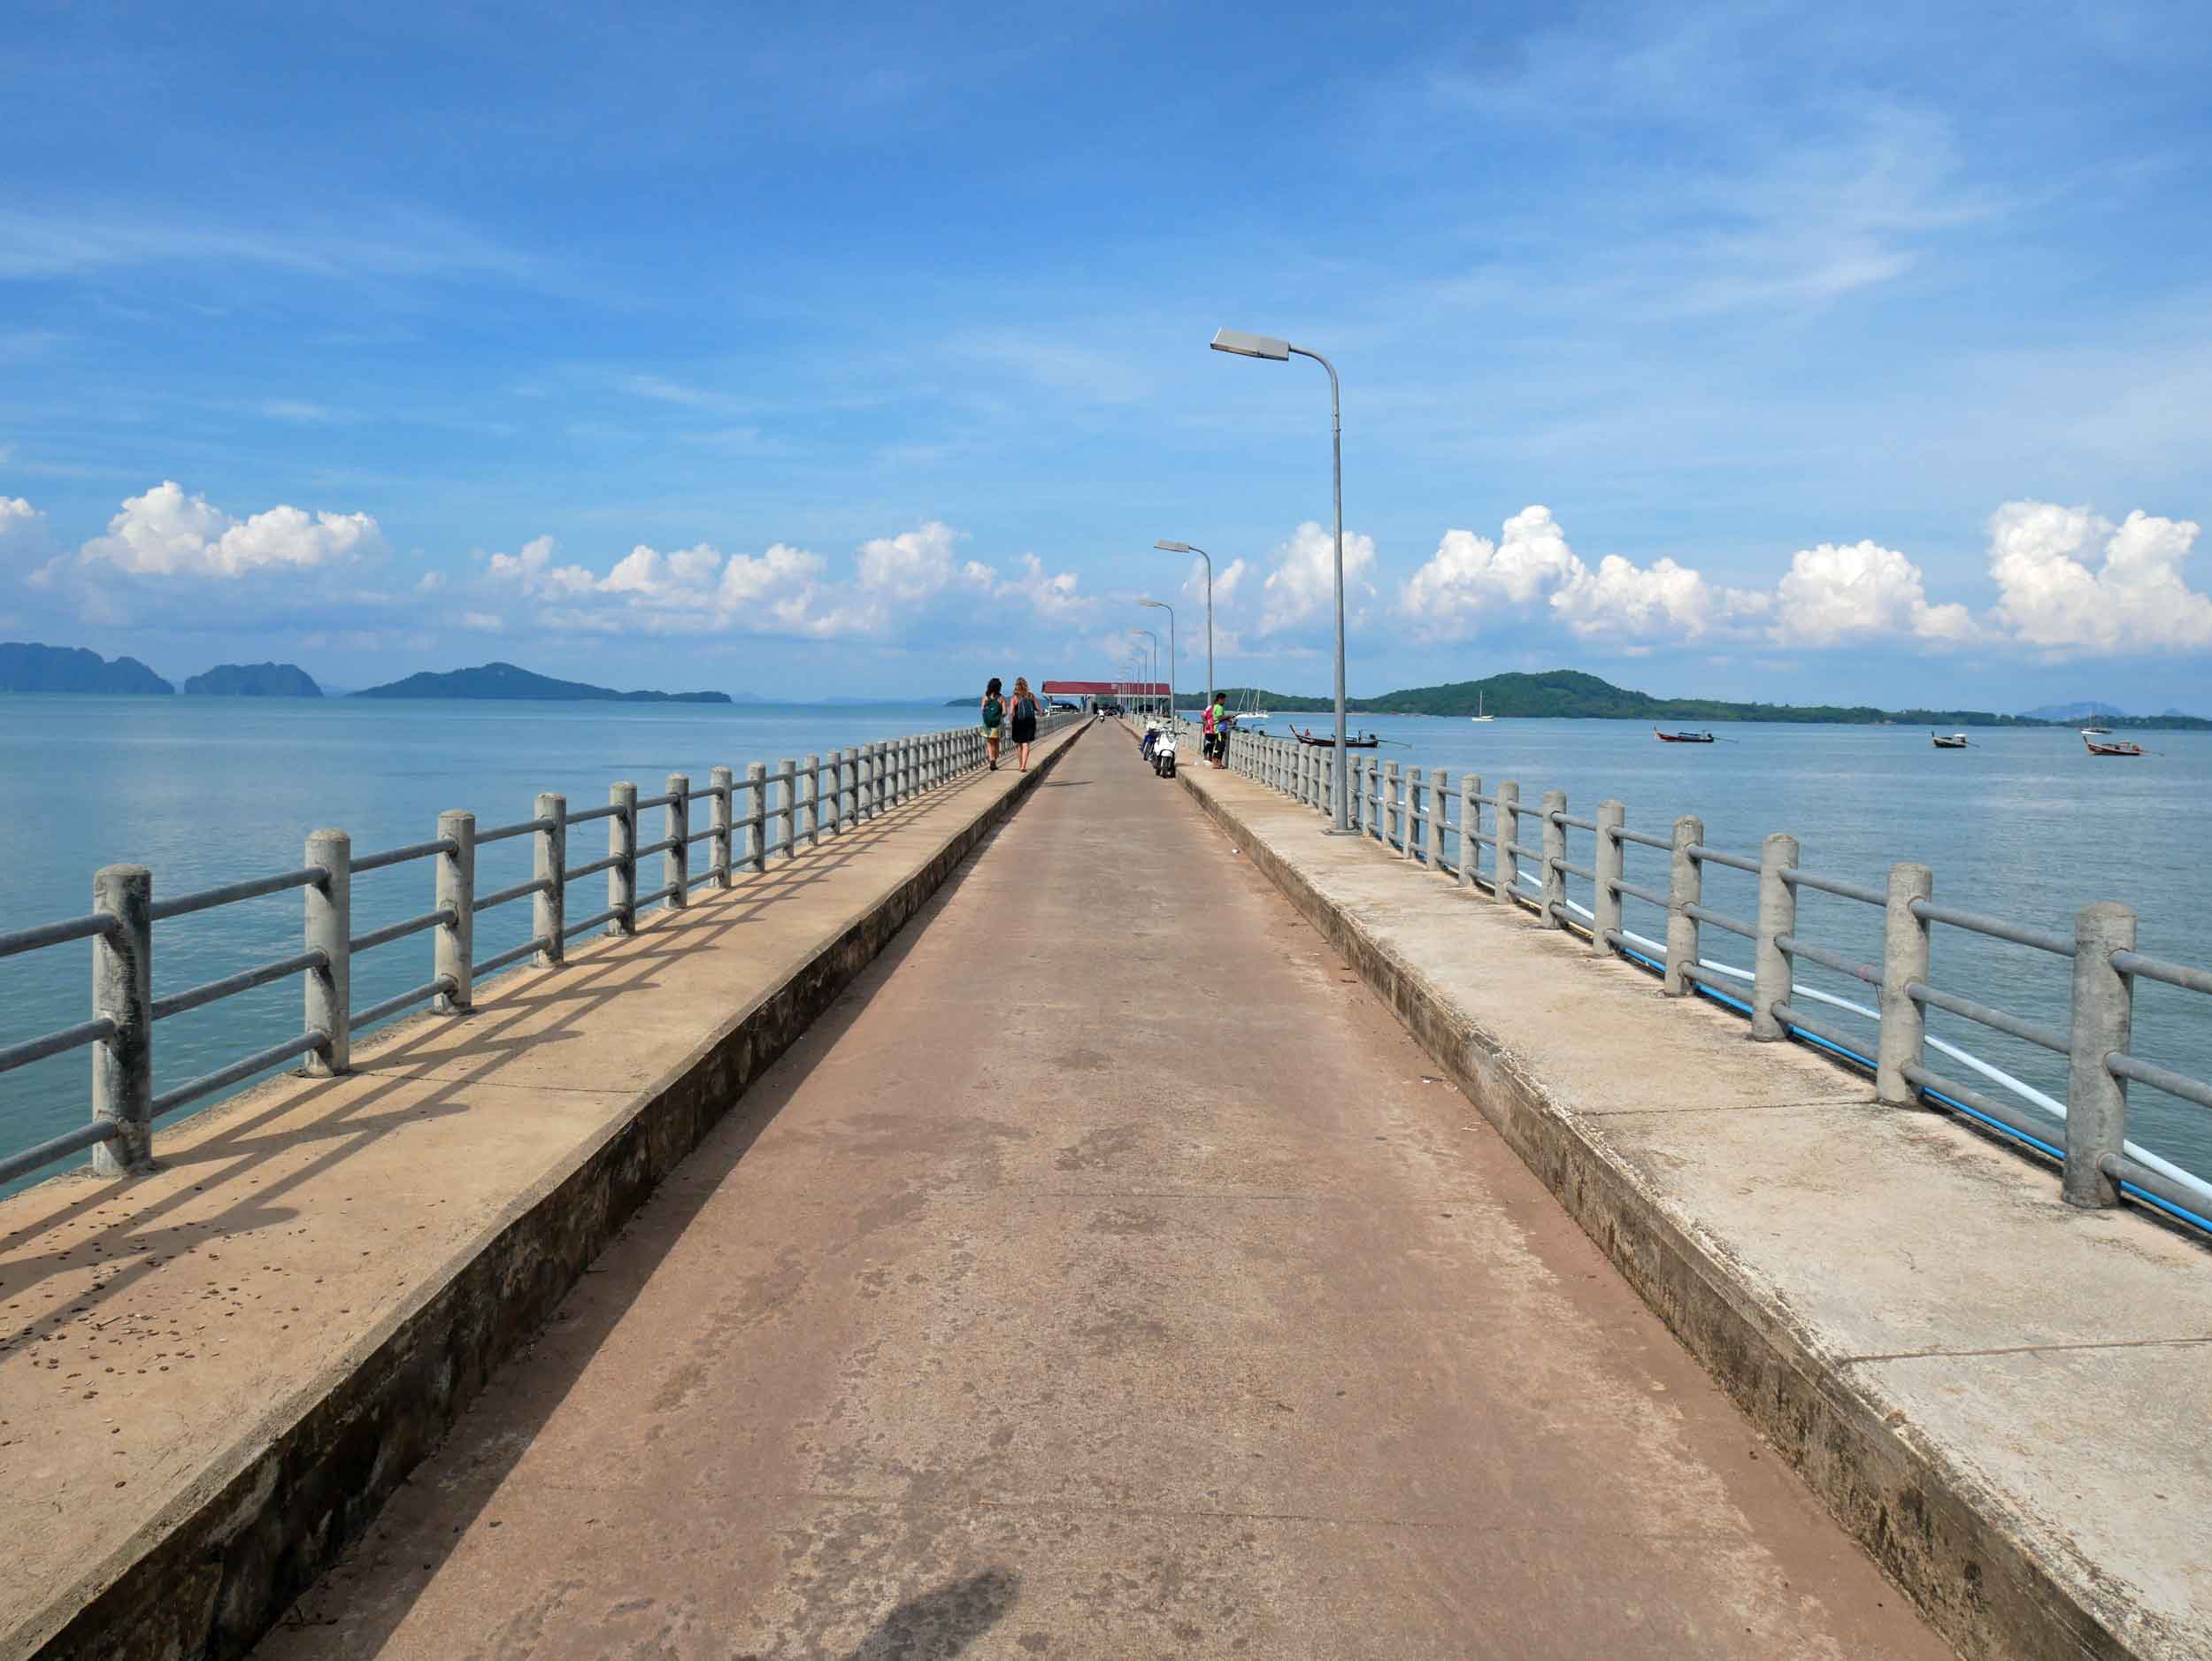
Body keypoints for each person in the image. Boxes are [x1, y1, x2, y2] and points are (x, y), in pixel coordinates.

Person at [1008, 675, 1041, 771]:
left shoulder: (1014, 697)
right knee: (1026, 744)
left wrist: (1011, 722)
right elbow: (1039, 709)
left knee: (1020, 744)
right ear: (1026, 686)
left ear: (1016, 686)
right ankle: (1023, 766)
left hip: (1018, 722)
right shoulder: (1031, 696)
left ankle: (1020, 764)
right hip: (1030, 722)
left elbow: (1011, 712)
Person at [980, 677, 1005, 770]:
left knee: (989, 743)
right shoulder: (1001, 698)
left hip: (987, 724)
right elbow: (1004, 712)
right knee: (996, 743)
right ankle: (995, 760)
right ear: (999, 687)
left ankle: (991, 760)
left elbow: (982, 710)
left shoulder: (985, 697)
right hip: (997, 724)